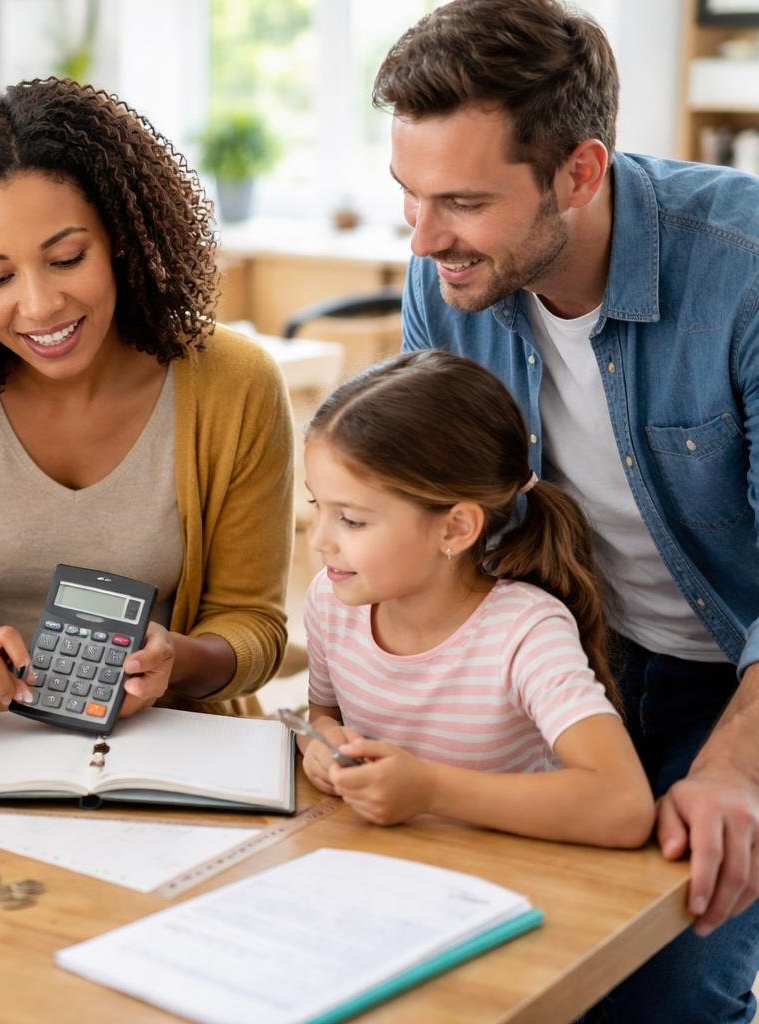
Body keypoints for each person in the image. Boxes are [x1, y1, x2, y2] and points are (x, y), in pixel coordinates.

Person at [377, 0, 759, 1017]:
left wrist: (734, 772)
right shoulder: (444, 272)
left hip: (737, 680)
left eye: (459, 201)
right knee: (484, 953)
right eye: (408, 196)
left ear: (580, 173)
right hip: (576, 649)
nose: (423, 238)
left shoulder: (745, 271)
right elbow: (447, 516)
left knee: (662, 986)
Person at [0, 78, 294, 719]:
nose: (39, 305)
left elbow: (254, 623)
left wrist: (181, 661)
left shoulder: (237, 385)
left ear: (121, 238)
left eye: (67, 258)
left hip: (175, 744)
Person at [300, 350, 654, 849]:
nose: (319, 540)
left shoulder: (525, 633)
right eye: (318, 506)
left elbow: (624, 806)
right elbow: (323, 714)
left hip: (512, 886)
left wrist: (429, 789)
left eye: (352, 520)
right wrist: (317, 744)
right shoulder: (332, 603)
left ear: (456, 528)